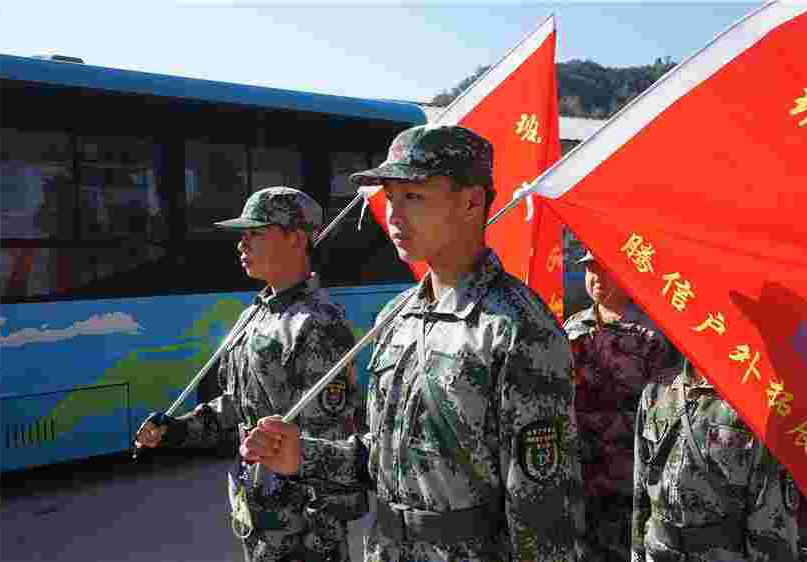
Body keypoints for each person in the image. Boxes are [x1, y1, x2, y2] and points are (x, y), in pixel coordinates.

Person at [241, 124, 583, 562]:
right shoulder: (397, 315)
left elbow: (542, 505)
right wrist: (301, 456)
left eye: (414, 197)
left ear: (471, 202)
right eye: (390, 198)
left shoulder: (516, 328)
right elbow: (380, 456)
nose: (394, 215)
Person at [135, 186, 364, 562]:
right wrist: (178, 429)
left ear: (296, 239)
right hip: (257, 512)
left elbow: (328, 439)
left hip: (301, 531)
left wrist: (320, 536)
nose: (242, 243)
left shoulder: (317, 325)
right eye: (242, 234)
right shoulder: (255, 315)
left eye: (255, 232)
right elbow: (239, 405)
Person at [564, 250, 681, 562]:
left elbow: (665, 413)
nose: (596, 278)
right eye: (590, 269)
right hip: (583, 476)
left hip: (631, 480)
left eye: (604, 269)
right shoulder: (572, 329)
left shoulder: (652, 335)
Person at [632, 362, 799, 562]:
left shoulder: (755, 404)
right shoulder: (657, 390)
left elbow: (771, 523)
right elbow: (641, 489)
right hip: (658, 551)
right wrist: (637, 552)